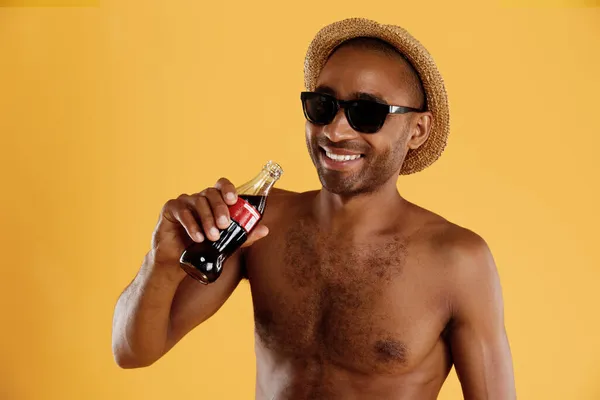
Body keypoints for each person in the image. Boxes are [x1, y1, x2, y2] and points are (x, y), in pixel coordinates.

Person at [112, 17, 516, 399]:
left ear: (418, 130)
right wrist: (160, 265)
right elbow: (132, 352)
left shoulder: (458, 261)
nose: (336, 131)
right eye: (323, 105)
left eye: (367, 113)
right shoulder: (261, 224)